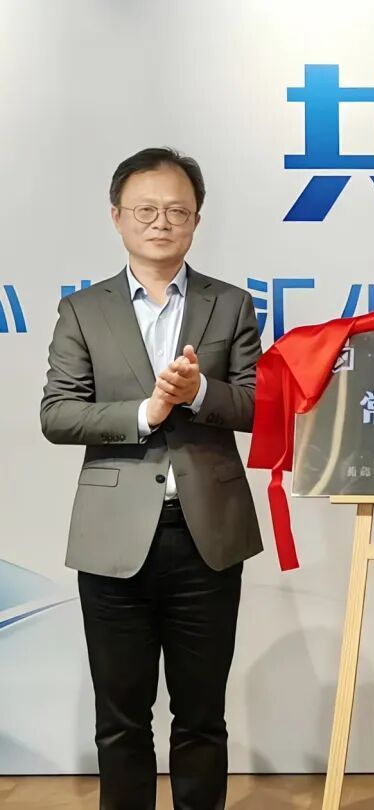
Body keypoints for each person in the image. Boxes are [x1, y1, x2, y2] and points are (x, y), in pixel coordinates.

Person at [40, 147, 263, 810]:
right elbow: (58, 413)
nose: (161, 222)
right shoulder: (84, 310)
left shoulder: (231, 304)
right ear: (117, 217)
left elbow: (259, 406)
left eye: (176, 210)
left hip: (207, 536)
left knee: (202, 716)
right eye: (145, 210)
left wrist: (199, 393)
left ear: (196, 220)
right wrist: (147, 411)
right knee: (121, 720)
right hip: (113, 538)